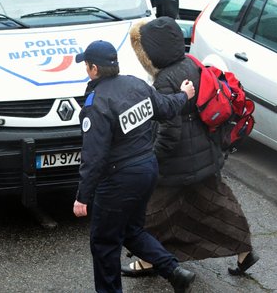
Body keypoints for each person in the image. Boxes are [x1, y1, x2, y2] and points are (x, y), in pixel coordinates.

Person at [122, 16, 259, 277]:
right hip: (205, 154)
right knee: (219, 205)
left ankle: (148, 261)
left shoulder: (164, 81)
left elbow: (170, 132)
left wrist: (152, 158)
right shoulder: (191, 64)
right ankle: (245, 253)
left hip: (177, 162)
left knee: (150, 211)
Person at [72, 40, 197, 293]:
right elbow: (165, 108)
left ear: (94, 68)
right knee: (130, 231)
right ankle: (174, 271)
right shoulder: (135, 84)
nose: (86, 70)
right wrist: (183, 95)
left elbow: (93, 156)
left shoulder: (97, 104)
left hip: (119, 179)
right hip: (146, 170)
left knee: (104, 243)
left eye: (86, 65)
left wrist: (82, 196)